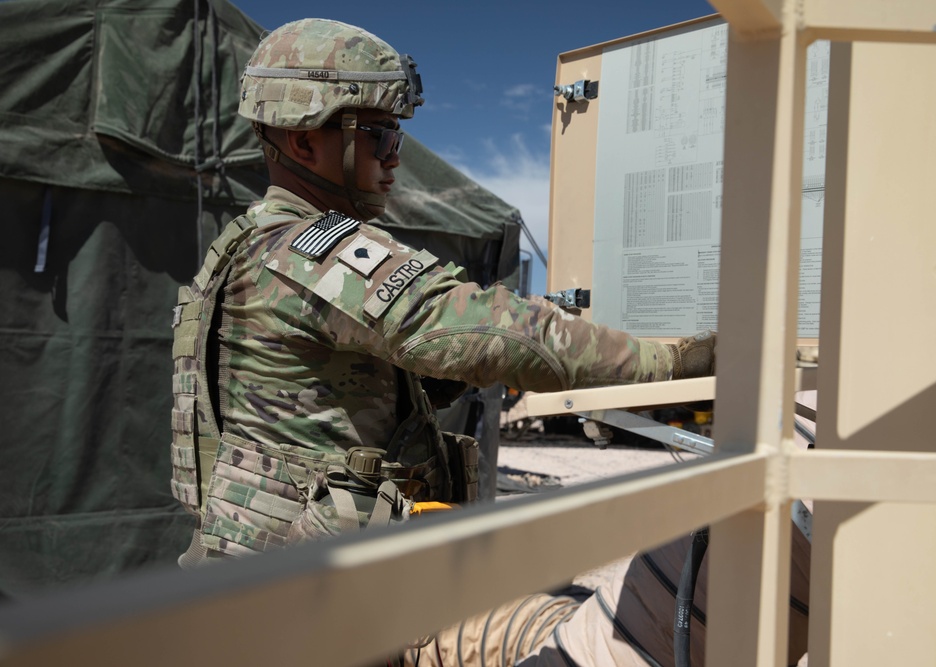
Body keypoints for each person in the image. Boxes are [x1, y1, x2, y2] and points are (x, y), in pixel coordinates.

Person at [167, 18, 770, 667]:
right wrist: (676, 359)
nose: (395, 154)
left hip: (262, 585)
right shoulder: (315, 251)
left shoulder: (244, 249)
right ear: (305, 140)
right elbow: (482, 329)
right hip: (310, 608)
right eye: (379, 133)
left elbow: (313, 398)